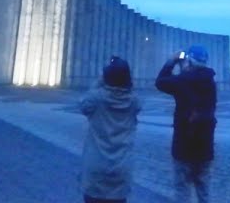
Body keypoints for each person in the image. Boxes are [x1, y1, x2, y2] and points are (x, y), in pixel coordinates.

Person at [156, 45, 217, 203]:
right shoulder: (210, 82)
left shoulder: (183, 81)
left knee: (182, 190)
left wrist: (172, 62)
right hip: (205, 146)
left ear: (189, 62)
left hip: (184, 146)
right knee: (204, 191)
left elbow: (160, 82)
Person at [78, 56, 141, 203]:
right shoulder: (133, 101)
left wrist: (99, 81)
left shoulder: (96, 98)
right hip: (122, 165)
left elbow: (83, 104)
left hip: (96, 164)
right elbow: (133, 96)